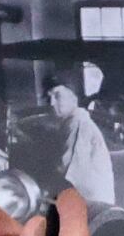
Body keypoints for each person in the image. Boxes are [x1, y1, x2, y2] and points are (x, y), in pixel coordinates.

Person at [43, 74, 116, 206]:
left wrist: (44, 190)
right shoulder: (70, 123)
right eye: (49, 97)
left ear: (73, 98)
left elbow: (68, 170)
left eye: (57, 96)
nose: (52, 102)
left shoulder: (78, 123)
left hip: (92, 206)